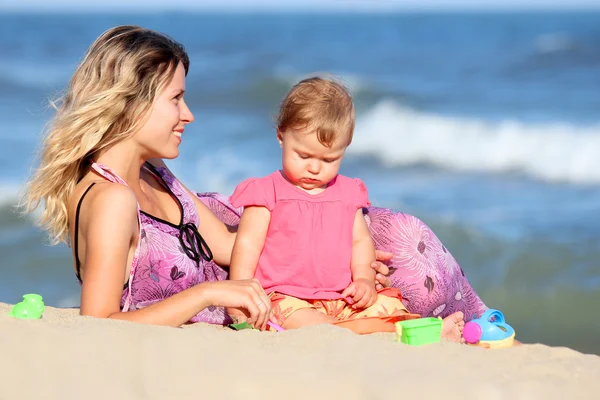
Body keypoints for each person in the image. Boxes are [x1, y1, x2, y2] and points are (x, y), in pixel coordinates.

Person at [23, 26, 484, 337]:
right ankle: (460, 329)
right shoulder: (111, 200)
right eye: (176, 99)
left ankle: (474, 325)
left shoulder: (154, 173)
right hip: (262, 304)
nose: (188, 114)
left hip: (275, 279)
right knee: (408, 268)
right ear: (132, 101)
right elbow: (99, 325)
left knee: (393, 238)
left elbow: (225, 246)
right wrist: (208, 292)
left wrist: (331, 248)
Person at [228, 77, 433, 334]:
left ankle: (411, 329)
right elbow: (247, 244)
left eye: (329, 159)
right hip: (284, 296)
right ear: (281, 137)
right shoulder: (266, 191)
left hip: (340, 296)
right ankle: (363, 330)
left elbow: (360, 242)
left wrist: (363, 281)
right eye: (303, 156)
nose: (314, 168)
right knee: (306, 325)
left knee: (389, 306)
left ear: (344, 149)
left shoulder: (348, 192)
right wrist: (238, 297)